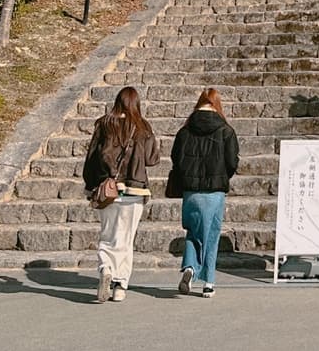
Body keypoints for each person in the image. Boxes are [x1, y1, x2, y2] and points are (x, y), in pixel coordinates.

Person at [82, 85, 160, 303]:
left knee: (107, 235)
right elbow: (153, 159)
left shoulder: (104, 123)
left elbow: (91, 159)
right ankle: (120, 285)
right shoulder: (142, 127)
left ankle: (106, 267)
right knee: (126, 239)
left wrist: (90, 186)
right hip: (135, 190)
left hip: (108, 189)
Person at [167, 87, 240, 298]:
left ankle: (190, 267)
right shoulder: (226, 131)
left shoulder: (185, 131)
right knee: (211, 235)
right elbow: (232, 161)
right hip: (214, 191)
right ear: (217, 105)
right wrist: (223, 175)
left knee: (193, 231)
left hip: (191, 192)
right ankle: (208, 281)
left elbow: (176, 160)